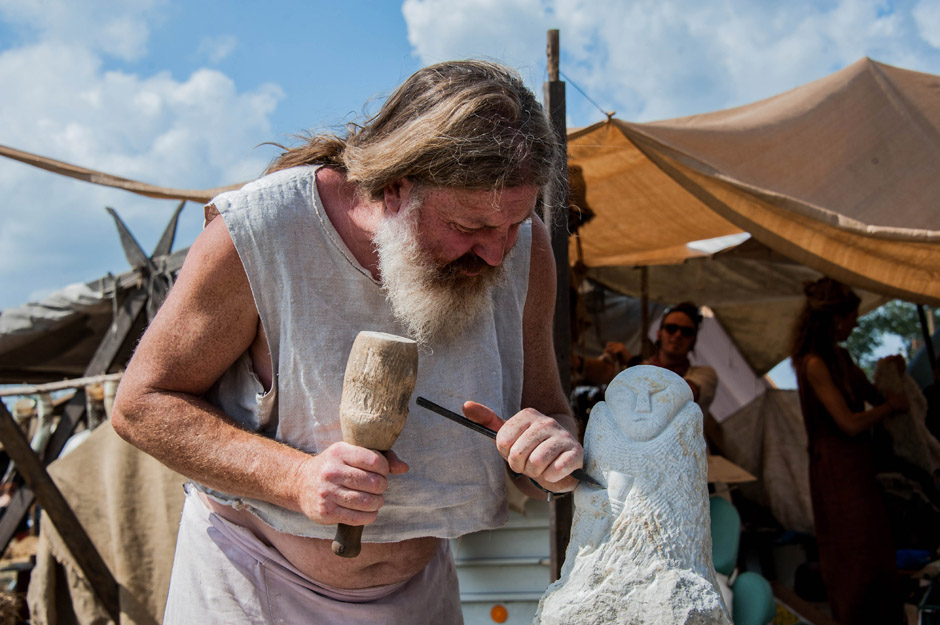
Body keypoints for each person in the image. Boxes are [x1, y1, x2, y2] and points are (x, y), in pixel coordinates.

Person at [111, 60, 583, 625]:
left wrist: (547, 456)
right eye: (470, 227)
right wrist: (296, 478)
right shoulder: (263, 233)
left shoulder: (525, 251)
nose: (496, 253)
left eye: (513, 223)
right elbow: (142, 404)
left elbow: (548, 417)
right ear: (395, 185)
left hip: (422, 591)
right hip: (254, 588)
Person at [789, 277, 908, 625]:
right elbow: (850, 422)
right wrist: (891, 408)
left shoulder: (839, 357)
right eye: (851, 317)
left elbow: (872, 394)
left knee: (874, 552)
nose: (855, 324)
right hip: (837, 473)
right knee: (852, 557)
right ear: (835, 318)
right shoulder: (814, 364)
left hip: (857, 467)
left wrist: (890, 372)